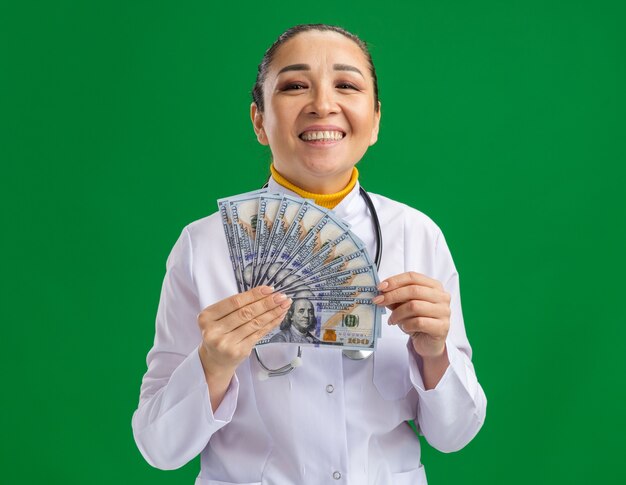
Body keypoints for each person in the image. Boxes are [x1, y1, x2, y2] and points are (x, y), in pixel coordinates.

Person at [132, 24, 487, 484]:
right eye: (295, 86)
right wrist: (212, 364)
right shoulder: (205, 245)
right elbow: (159, 449)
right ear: (259, 121)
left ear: (375, 119)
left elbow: (455, 434)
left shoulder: (416, 235)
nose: (323, 104)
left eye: (346, 85)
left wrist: (436, 353)